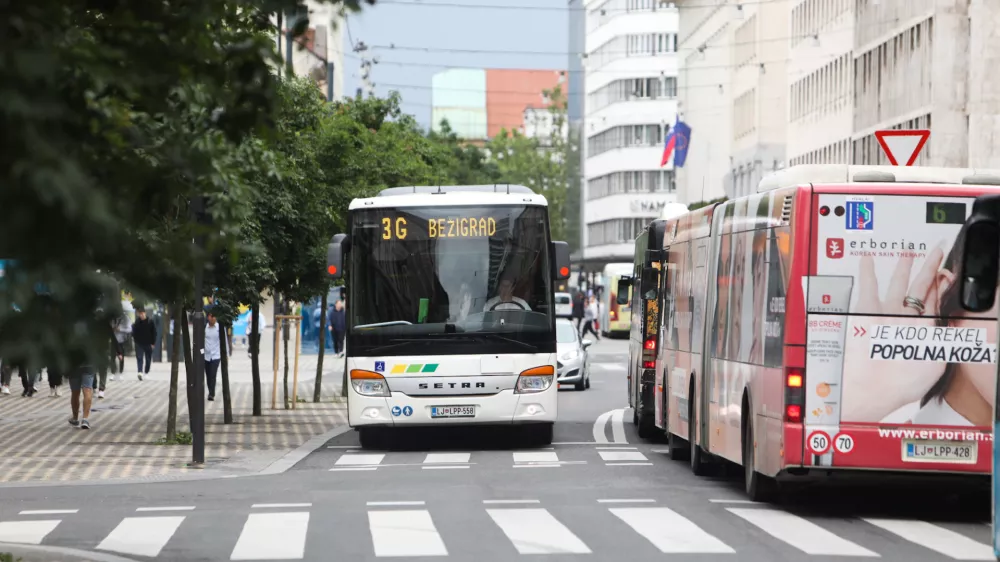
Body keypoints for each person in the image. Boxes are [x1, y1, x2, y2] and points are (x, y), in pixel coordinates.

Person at [132, 307, 156, 380]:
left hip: (148, 343)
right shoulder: (137, 322)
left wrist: (153, 343)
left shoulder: (150, 321)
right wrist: (135, 340)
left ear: (145, 313)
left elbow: (154, 333)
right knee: (139, 357)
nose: (141, 315)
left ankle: (146, 372)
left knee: (148, 359)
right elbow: (134, 332)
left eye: (142, 313)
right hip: (139, 343)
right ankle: (140, 372)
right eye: (140, 314)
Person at [204, 311, 222, 401]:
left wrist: (225, 354)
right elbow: (201, 343)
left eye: (215, 316)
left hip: (216, 355)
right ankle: (210, 390)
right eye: (212, 316)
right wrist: (201, 353)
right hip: (206, 356)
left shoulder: (219, 328)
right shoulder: (205, 328)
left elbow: (224, 340)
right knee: (208, 375)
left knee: (213, 374)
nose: (214, 318)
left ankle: (211, 393)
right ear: (208, 317)